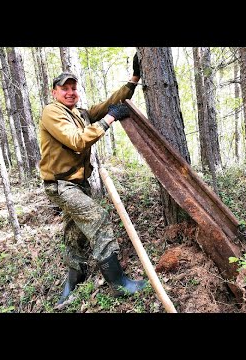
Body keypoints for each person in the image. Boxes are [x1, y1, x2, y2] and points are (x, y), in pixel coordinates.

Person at [39, 53, 147, 305]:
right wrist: (110, 119)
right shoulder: (52, 113)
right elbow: (76, 141)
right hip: (61, 185)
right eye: (64, 89)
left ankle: (74, 277)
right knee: (97, 218)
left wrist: (134, 79)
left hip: (77, 183)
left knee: (74, 232)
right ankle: (118, 283)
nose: (69, 92)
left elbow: (109, 104)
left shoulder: (78, 113)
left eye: (73, 88)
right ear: (54, 92)